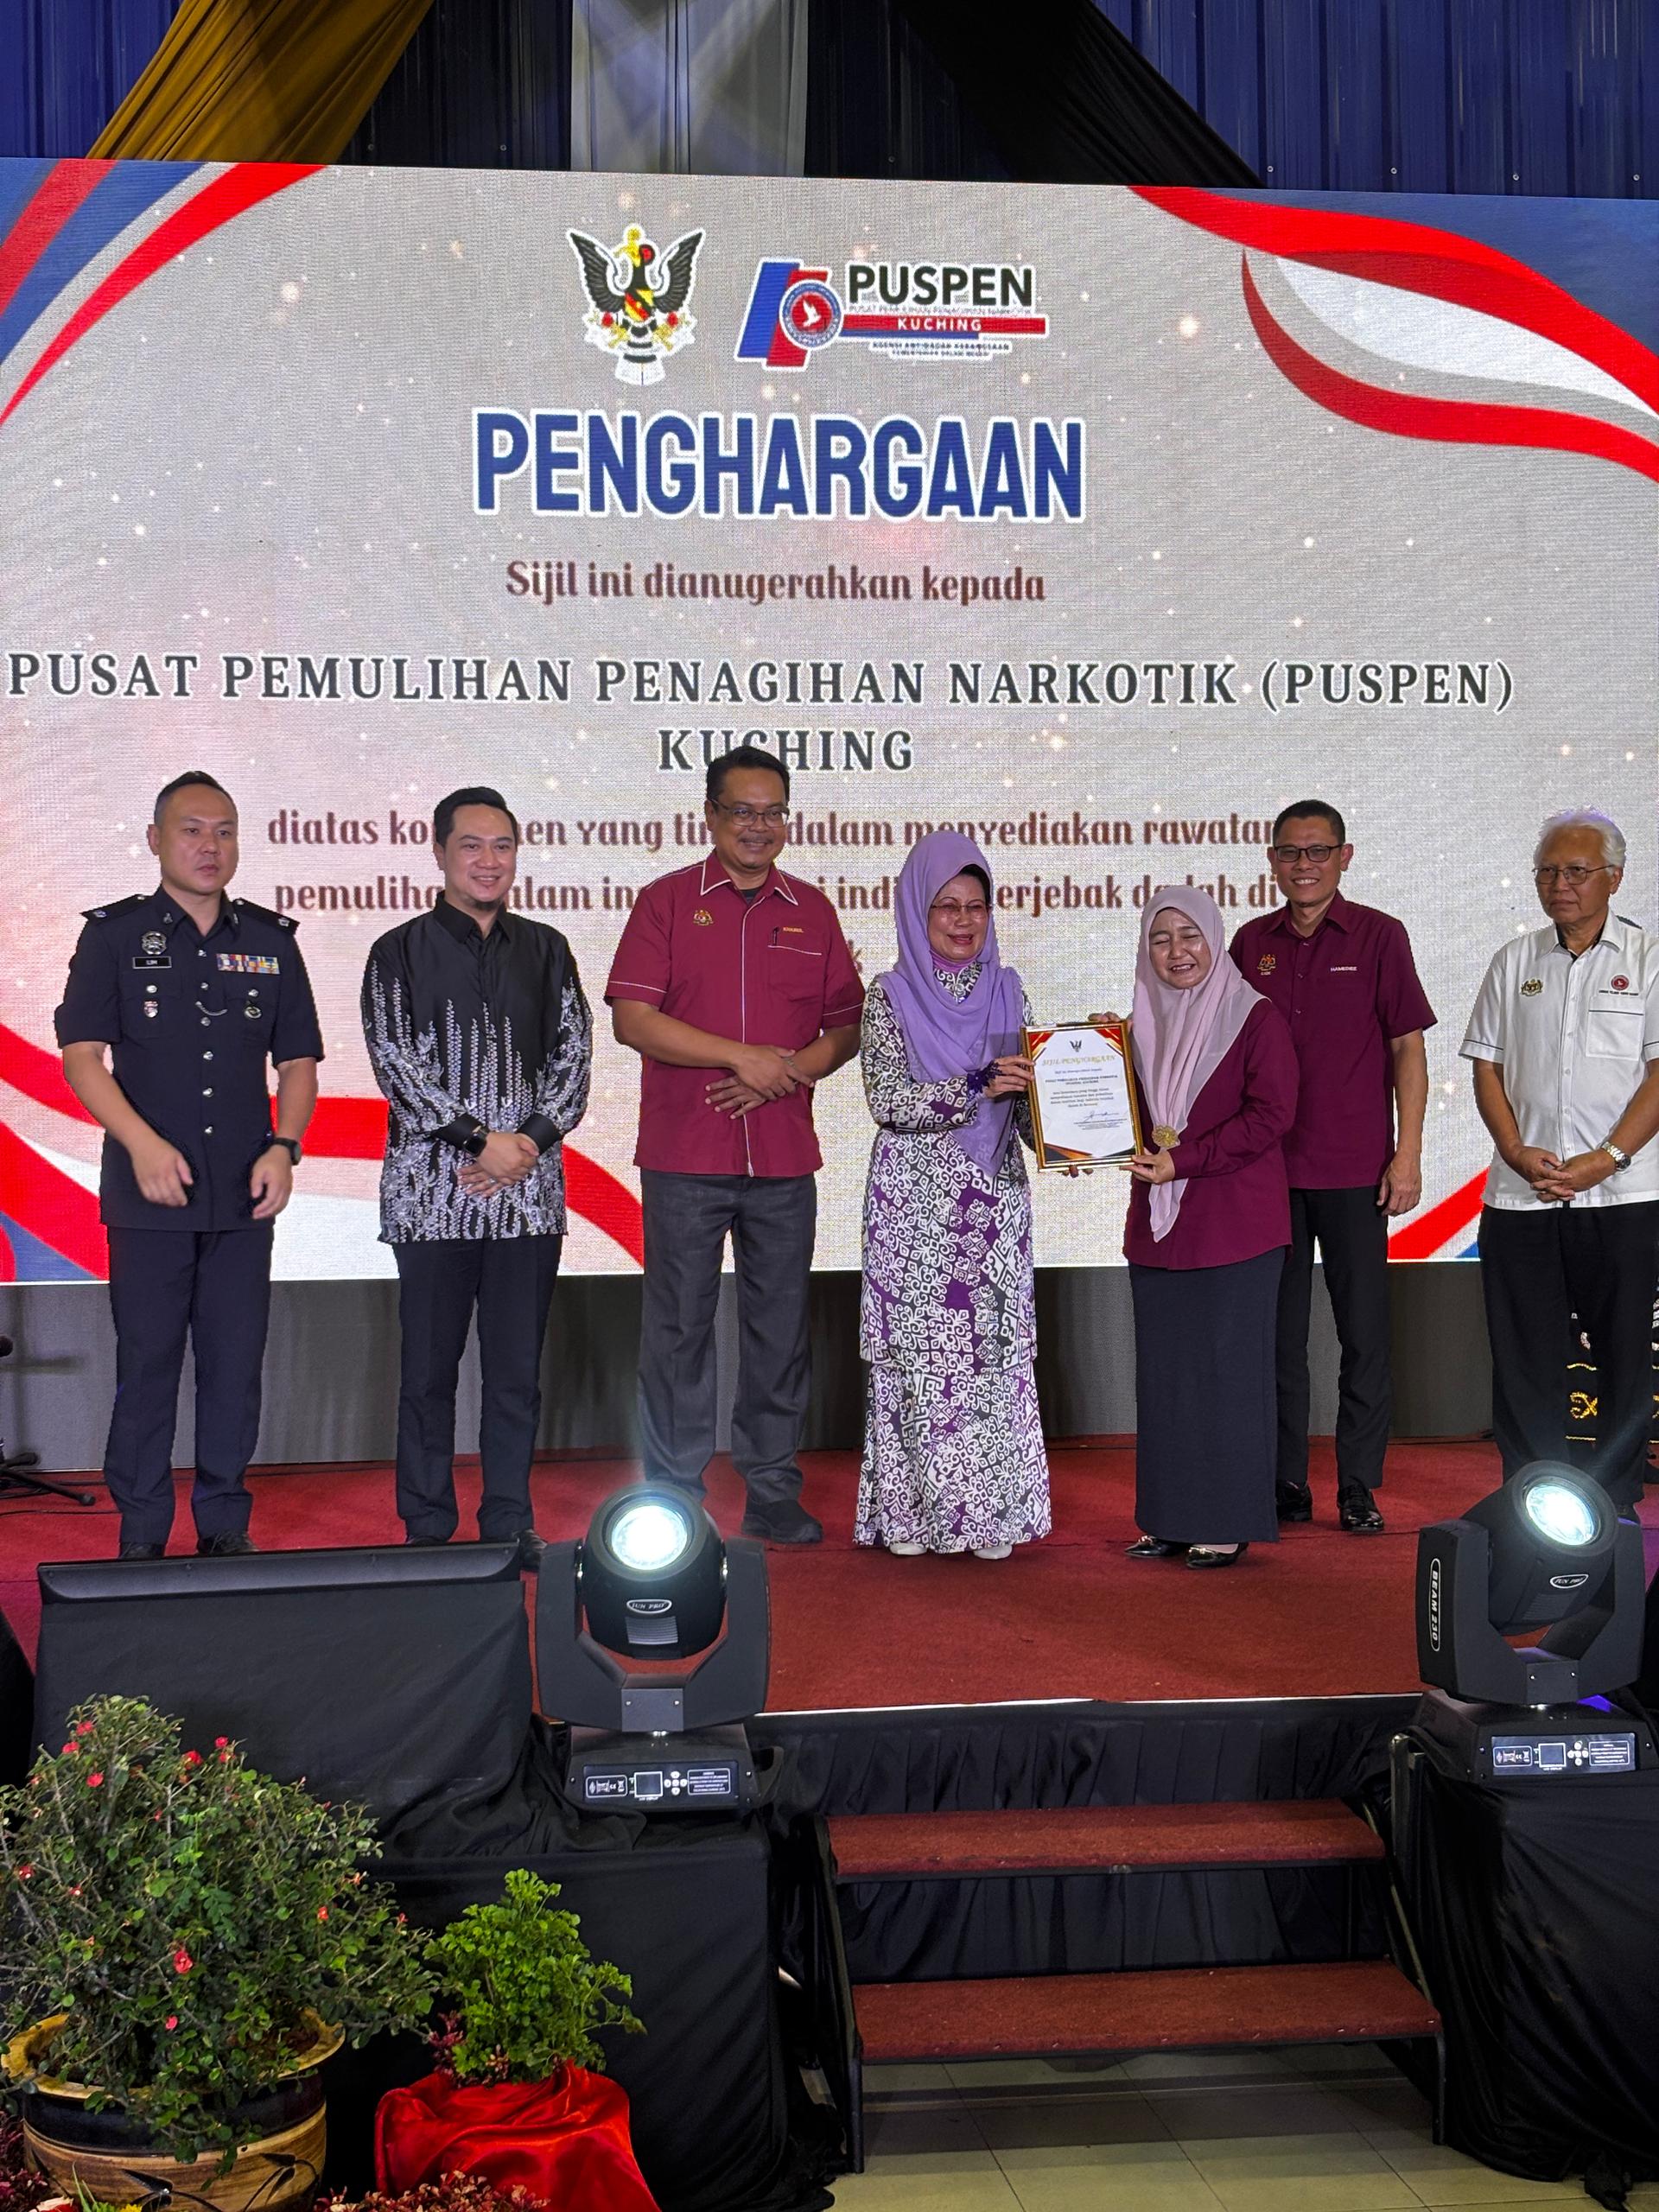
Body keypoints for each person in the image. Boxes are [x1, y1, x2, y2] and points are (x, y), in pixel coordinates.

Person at [55, 771, 322, 1559]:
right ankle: (142, 1534)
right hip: (148, 1196)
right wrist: (140, 1144)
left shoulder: (271, 942)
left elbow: (298, 1062)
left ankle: (223, 1526)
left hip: (243, 1194)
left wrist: (286, 1146)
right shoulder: (113, 937)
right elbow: (82, 1057)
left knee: (234, 1368)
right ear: (155, 841)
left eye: (225, 831)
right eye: (193, 830)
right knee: (148, 1366)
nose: (211, 846)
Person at [606, 745, 863, 1543]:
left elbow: (845, 1027)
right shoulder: (665, 902)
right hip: (686, 1153)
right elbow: (632, 1020)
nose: (759, 826)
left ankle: (773, 1488)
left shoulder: (812, 910)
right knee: (678, 1329)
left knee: (779, 1330)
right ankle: (675, 1493)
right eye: (743, 810)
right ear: (710, 815)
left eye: (773, 811)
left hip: (783, 1155)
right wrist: (739, 1056)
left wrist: (784, 1074)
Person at [361, 786, 591, 1562]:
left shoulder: (549, 949)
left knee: (515, 1375)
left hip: (527, 1198)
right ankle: (427, 1527)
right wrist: (478, 1143)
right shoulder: (397, 952)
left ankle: (508, 1525)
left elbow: (574, 1060)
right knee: (428, 1374)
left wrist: (522, 1145)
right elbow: (396, 1065)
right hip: (433, 1200)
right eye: (471, 845)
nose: (488, 861)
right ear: (439, 853)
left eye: (502, 846)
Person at [1230, 801, 1436, 1535]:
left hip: (1357, 1170)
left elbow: (1408, 1048)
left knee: (1364, 1334)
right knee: (1278, 1337)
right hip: (1268, 1173)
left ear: (1344, 857)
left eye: (1318, 851)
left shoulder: (1381, 936)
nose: (1304, 865)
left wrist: (1408, 1153)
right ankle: (1287, 1479)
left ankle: (1357, 1485)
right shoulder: (1250, 942)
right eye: (1290, 852)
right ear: (1271, 860)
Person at [855, 833, 1049, 1560]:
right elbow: (888, 1100)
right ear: (917, 910)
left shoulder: (1009, 989)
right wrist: (974, 1086)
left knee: (991, 1352)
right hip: (914, 1203)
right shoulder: (889, 995)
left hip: (992, 1199)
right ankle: (912, 1517)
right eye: (946, 907)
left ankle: (991, 1517)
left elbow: (1023, 1101)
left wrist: (1064, 1133)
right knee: (918, 1354)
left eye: (976, 906)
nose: (964, 922)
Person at [1462, 807, 1659, 1513]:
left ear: (1615, 878)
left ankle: (1616, 1502)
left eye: (1576, 871)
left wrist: (1607, 1158)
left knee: (1624, 1354)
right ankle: (1533, 1497)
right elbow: (1487, 1066)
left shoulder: (1648, 959)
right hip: (1523, 1197)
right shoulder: (1514, 961)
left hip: (1624, 1197)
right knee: (1524, 1360)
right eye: (1547, 871)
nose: (1559, 885)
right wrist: (1515, 1151)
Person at [1123, 886, 1299, 1567]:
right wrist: (1095, 1070)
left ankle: (1225, 1520)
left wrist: (1185, 1161)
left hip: (1236, 1226)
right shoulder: (1135, 1028)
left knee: (1228, 1376)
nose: (1176, 952)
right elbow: (1118, 1120)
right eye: (1160, 938)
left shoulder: (1255, 1018)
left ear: (1215, 939)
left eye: (1189, 935)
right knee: (1166, 1377)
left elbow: (1271, 1114)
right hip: (1160, 1229)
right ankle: (1168, 1518)